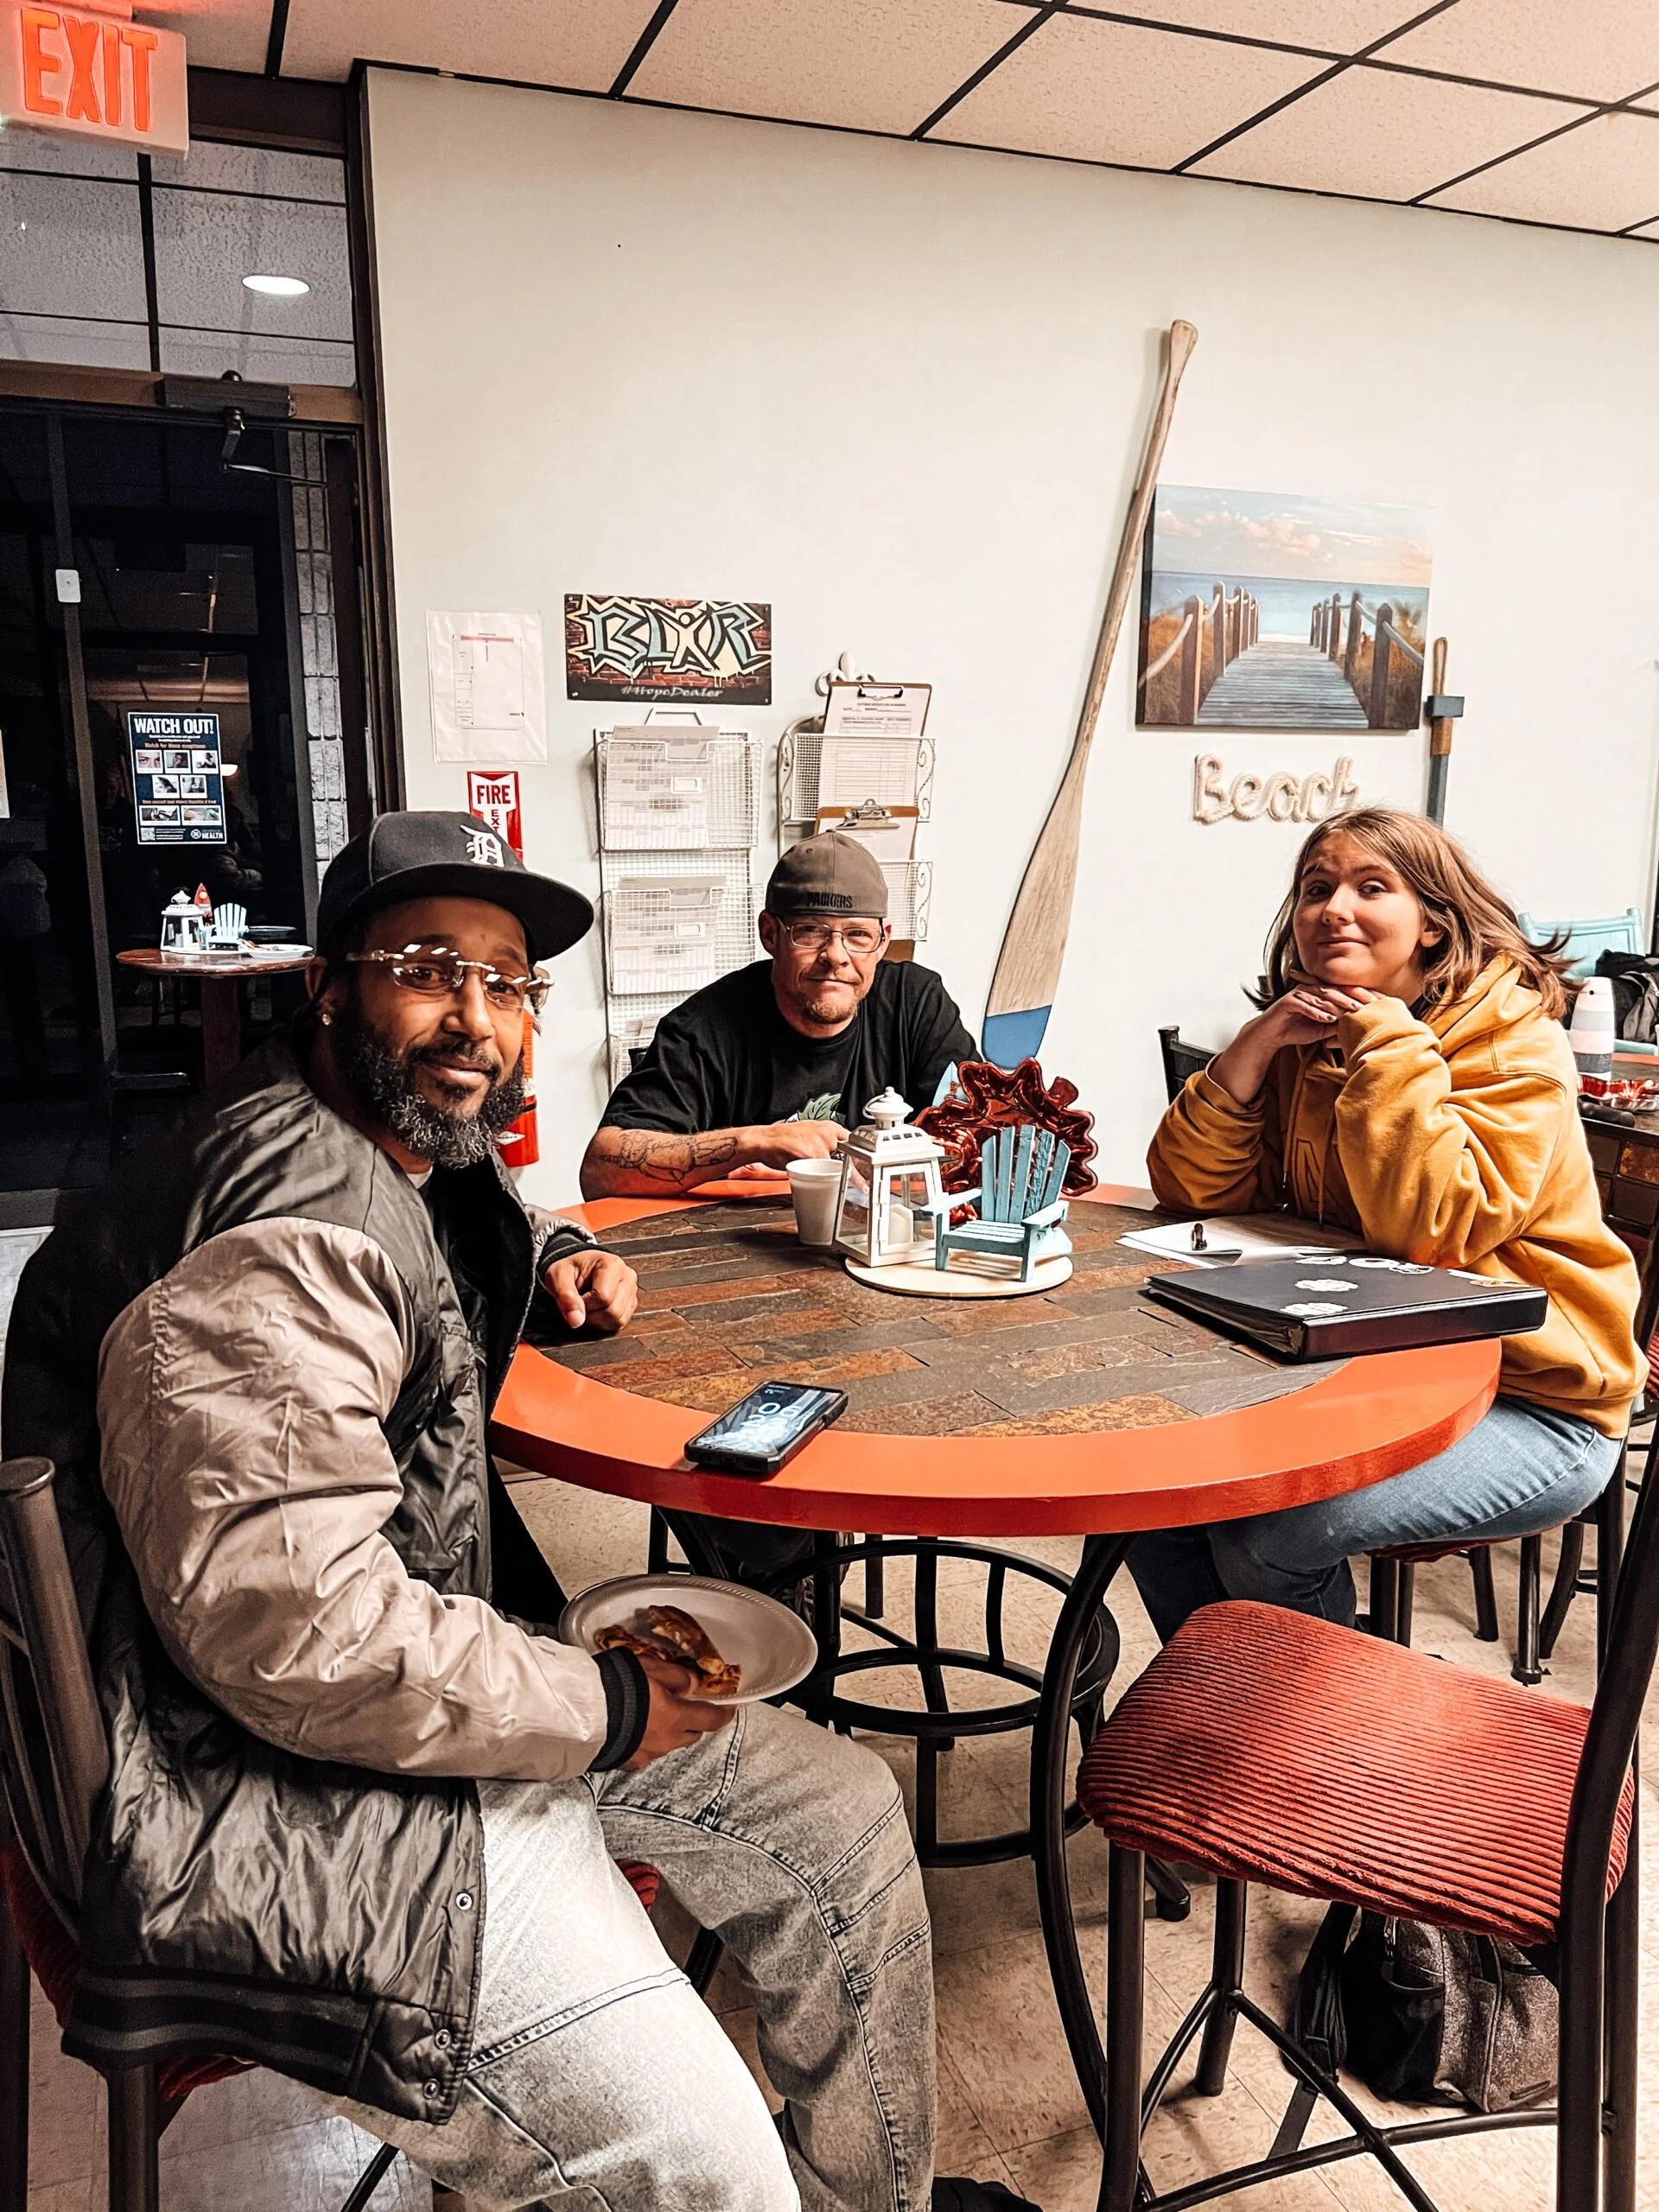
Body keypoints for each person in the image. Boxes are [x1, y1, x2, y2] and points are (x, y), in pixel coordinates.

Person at [3, 811, 1029, 2212]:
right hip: (266, 1793)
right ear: (328, 985)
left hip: (403, 1692)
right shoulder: (287, 1230)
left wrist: (561, 1250)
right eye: (426, 966)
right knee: (709, 2168)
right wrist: (601, 1705)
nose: (473, 1013)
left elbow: (477, 1203)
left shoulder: (376, 1136)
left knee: (842, 1811)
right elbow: (302, 1640)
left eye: (506, 978)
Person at [1132, 805, 1642, 1641]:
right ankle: (1232, 1715)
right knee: (1155, 1494)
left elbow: (1437, 1230)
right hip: (1368, 1372)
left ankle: (1309, 1735)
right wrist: (1253, 1050)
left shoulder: (1516, 1043)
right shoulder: (1309, 1032)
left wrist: (1389, 1044)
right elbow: (1194, 1195)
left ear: (1434, 925)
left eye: (1373, 887)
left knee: (1273, 1536)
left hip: (1533, 1399)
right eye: (1316, 887)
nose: (1335, 908)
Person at [581, 831, 978, 1197]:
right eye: (810, 931)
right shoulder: (703, 1029)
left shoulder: (917, 1003)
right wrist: (755, 1143)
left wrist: (835, 1174)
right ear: (770, 934)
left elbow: (984, 1141)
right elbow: (601, 1168)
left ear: (882, 941)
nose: (836, 956)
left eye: (858, 935)